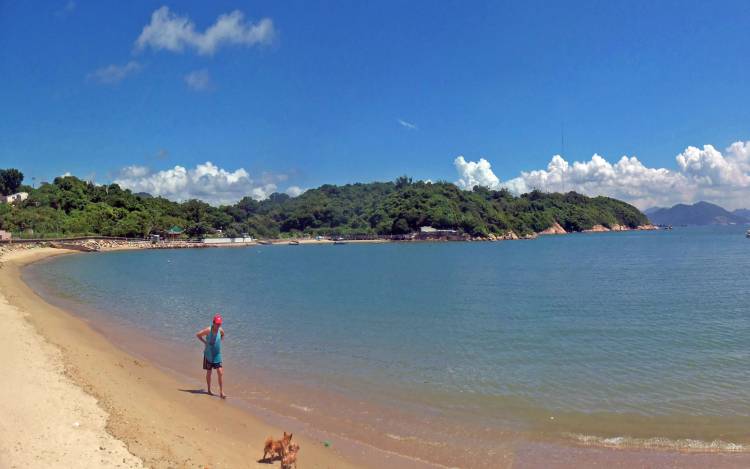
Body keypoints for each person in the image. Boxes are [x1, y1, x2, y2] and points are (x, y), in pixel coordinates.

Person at [196, 314, 226, 398]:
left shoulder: (220, 330)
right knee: (209, 372)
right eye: (217, 323)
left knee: (220, 372)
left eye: (219, 324)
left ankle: (221, 392)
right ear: (213, 323)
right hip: (208, 355)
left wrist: (220, 341)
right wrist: (205, 342)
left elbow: (223, 334)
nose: (218, 325)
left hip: (217, 355)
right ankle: (209, 390)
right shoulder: (208, 330)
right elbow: (198, 335)